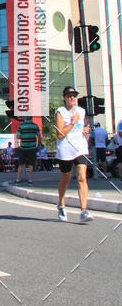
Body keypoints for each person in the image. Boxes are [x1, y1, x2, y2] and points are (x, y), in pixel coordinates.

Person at [55, 86, 93, 223]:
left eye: (74, 95)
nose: (72, 98)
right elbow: (60, 134)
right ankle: (61, 204)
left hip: (80, 148)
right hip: (65, 149)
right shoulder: (60, 112)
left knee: (82, 178)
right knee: (65, 179)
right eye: (69, 96)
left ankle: (84, 210)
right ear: (64, 98)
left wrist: (85, 130)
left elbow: (83, 128)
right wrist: (72, 122)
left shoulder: (81, 111)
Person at [15, 116, 41, 184]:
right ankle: (30, 179)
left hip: (23, 147)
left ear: (25, 118)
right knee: (31, 164)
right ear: (32, 118)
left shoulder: (21, 126)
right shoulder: (35, 126)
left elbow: (18, 136)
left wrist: (23, 136)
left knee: (21, 164)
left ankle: (18, 179)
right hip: (32, 148)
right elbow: (39, 136)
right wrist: (39, 145)